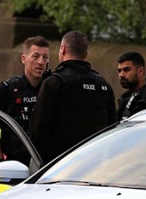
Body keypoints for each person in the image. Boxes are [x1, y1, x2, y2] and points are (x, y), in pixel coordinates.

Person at [28, 31, 117, 163]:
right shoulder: (103, 85)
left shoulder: (54, 83)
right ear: (86, 54)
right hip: (94, 165)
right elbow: (112, 129)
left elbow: (37, 131)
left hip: (59, 167)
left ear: (62, 49)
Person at [0, 36, 50, 165]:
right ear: (24, 59)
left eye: (45, 57)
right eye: (35, 56)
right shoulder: (6, 89)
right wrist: (0, 162)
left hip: (47, 164)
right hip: (15, 164)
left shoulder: (52, 88)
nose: (41, 62)